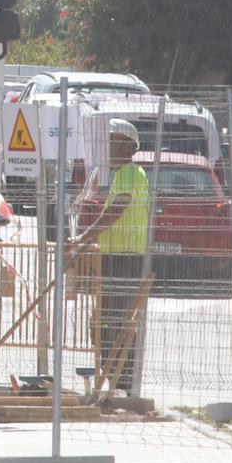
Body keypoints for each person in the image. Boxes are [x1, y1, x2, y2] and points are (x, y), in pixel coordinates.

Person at [65, 119, 150, 396]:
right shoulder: (127, 175)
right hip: (119, 258)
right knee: (111, 320)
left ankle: (119, 379)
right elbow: (111, 213)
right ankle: (117, 378)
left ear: (127, 146)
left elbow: (114, 213)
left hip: (125, 259)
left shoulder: (129, 174)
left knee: (110, 321)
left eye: (111, 142)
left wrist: (82, 238)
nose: (106, 148)